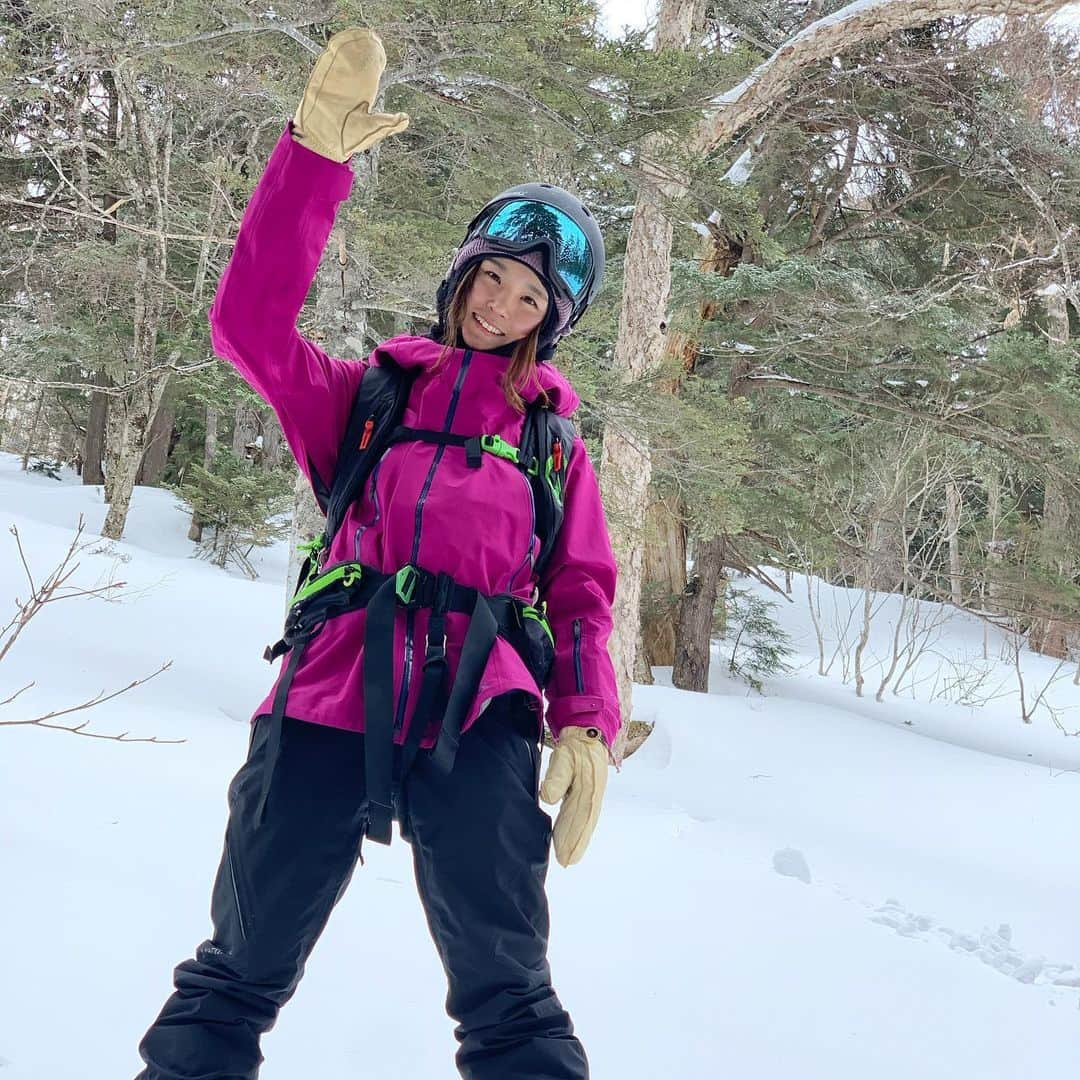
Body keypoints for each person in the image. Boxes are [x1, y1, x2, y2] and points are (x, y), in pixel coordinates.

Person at [136, 27, 620, 1080]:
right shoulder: (370, 399)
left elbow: (580, 591)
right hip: (327, 695)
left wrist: (584, 723)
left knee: (508, 989)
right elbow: (248, 325)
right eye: (492, 275)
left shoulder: (549, 442)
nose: (499, 303)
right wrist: (315, 160)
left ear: (553, 321)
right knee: (241, 965)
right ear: (463, 270)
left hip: (479, 712)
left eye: (529, 297)